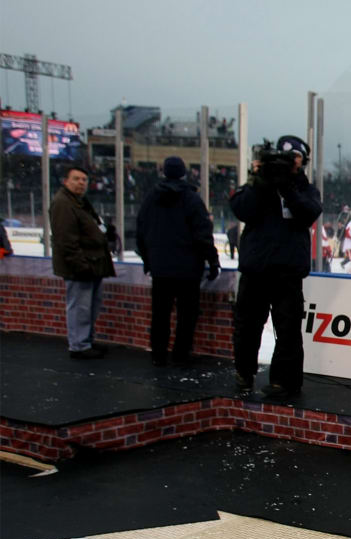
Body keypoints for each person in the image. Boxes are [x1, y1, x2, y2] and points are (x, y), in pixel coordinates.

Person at [229, 135, 322, 399]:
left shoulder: (304, 188)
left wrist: (288, 188)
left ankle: (285, 381)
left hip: (287, 271)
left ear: (302, 162)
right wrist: (261, 182)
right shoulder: (258, 185)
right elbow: (241, 209)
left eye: (294, 158)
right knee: (247, 327)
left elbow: (309, 213)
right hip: (255, 268)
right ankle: (244, 374)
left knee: (289, 329)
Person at [135, 156, 220, 366]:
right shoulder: (192, 199)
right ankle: (181, 354)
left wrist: (149, 261)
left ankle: (158, 354)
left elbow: (141, 232)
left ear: (164, 172)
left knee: (160, 314)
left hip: (161, 269)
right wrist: (213, 260)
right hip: (188, 269)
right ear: (184, 173)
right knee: (187, 315)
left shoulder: (150, 199)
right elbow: (203, 234)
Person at [50, 166, 116, 359]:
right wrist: (81, 266)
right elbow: (66, 241)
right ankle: (79, 345)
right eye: (76, 179)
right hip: (80, 266)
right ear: (66, 181)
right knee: (80, 306)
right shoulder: (63, 204)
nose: (81, 183)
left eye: (84, 180)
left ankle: (85, 340)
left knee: (89, 306)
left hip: (92, 263)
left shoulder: (79, 202)